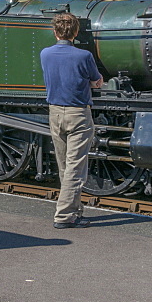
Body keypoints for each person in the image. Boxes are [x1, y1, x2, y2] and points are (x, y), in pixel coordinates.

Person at [40, 12, 103, 229]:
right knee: (76, 168)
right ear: (75, 32)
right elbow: (97, 82)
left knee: (65, 167)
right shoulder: (83, 56)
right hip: (78, 114)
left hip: (55, 113)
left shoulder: (45, 54)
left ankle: (75, 211)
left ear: (55, 31)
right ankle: (64, 216)